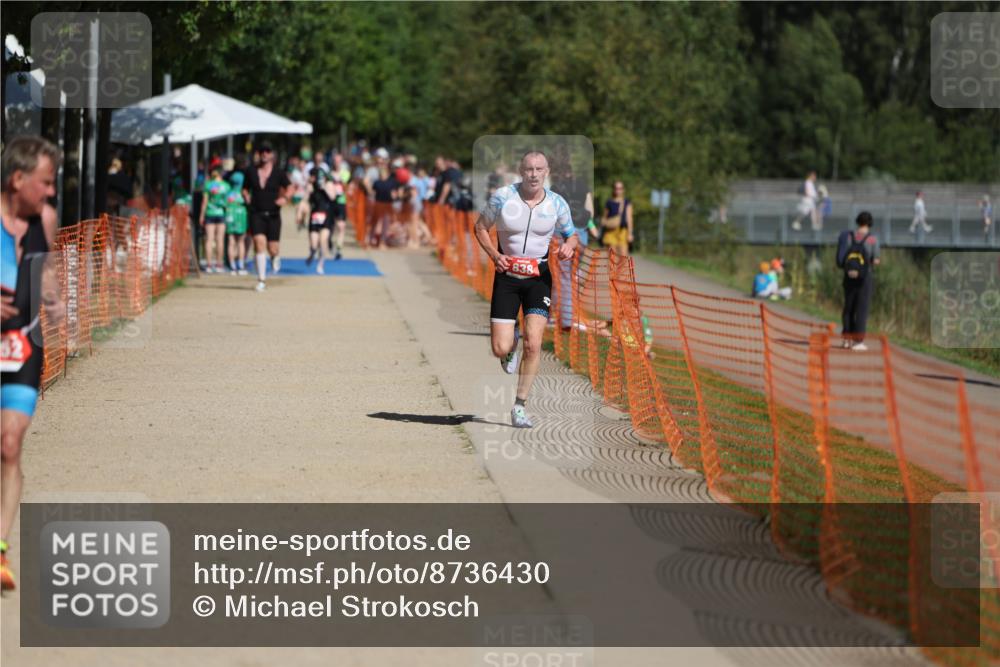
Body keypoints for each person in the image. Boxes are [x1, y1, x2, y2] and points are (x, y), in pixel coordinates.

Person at [473, 151, 578, 428]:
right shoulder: (503, 197)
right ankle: (510, 345)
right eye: (529, 169)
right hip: (506, 276)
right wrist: (495, 257)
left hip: (538, 278)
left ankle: (519, 406)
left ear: (547, 172)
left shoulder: (557, 203)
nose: (533, 174)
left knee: (535, 343)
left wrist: (569, 246)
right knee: (500, 348)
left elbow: (572, 234)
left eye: (539, 169)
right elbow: (480, 227)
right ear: (521, 171)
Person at [1, 136, 65, 591]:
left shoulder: (45, 218)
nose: (50, 192)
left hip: (23, 346)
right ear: (17, 179)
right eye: (44, 183)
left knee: (9, 443)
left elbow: (48, 275)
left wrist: (56, 301)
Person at [243, 141, 290, 292]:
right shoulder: (250, 171)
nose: (264, 153)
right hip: (256, 213)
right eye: (262, 151)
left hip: (274, 214)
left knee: (273, 247)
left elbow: (290, 187)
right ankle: (261, 279)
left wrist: (285, 198)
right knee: (258, 242)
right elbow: (244, 189)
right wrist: (246, 197)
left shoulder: (279, 172)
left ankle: (275, 256)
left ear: (272, 154)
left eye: (267, 151)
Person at [837, 211, 881, 351]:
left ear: (857, 222)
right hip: (864, 278)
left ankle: (846, 339)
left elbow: (842, 257)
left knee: (848, 308)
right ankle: (858, 341)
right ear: (870, 223)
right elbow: (876, 260)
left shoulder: (849, 236)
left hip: (848, 276)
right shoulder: (873, 239)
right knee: (861, 309)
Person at [199, 163, 229, 273]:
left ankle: (208, 265)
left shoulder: (208, 185)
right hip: (221, 214)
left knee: (209, 239)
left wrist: (201, 215)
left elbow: (204, 202)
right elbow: (227, 203)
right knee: (220, 240)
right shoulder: (226, 186)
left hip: (209, 213)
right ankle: (219, 264)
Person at [306, 165, 334, 274]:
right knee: (314, 244)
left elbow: (332, 197)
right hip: (315, 216)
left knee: (323, 241)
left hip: (326, 215)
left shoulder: (328, 184)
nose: (311, 178)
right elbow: (306, 199)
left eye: (313, 176)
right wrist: (309, 188)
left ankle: (321, 264)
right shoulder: (311, 185)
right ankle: (312, 253)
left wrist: (324, 187)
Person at [224, 171, 249, 275]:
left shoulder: (228, 193)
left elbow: (224, 205)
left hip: (230, 218)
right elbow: (249, 203)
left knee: (231, 242)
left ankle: (232, 266)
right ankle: (241, 265)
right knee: (241, 242)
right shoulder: (243, 193)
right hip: (241, 218)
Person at [600, 181, 633, 256]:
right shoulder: (609, 202)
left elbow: (629, 218)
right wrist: (602, 230)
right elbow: (604, 217)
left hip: (622, 231)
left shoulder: (627, 202)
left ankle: (622, 268)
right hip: (610, 231)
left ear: (623, 190)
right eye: (616, 188)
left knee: (623, 255)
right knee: (612, 257)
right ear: (613, 189)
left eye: (620, 188)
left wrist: (630, 233)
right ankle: (613, 268)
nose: (618, 190)